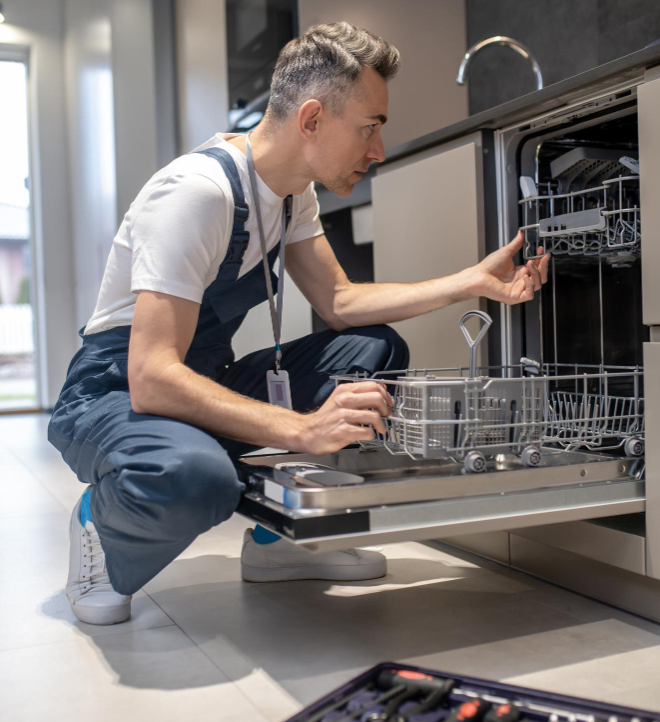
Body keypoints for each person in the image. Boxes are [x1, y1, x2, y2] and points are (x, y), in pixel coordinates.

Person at [48, 22, 550, 626]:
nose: (377, 151)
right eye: (369, 129)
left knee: (372, 350)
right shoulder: (196, 194)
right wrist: (301, 429)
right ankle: (100, 525)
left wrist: (471, 281)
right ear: (312, 119)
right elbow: (152, 377)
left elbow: (339, 301)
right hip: (114, 394)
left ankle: (274, 545)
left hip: (201, 378)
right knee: (198, 479)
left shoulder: (291, 193)